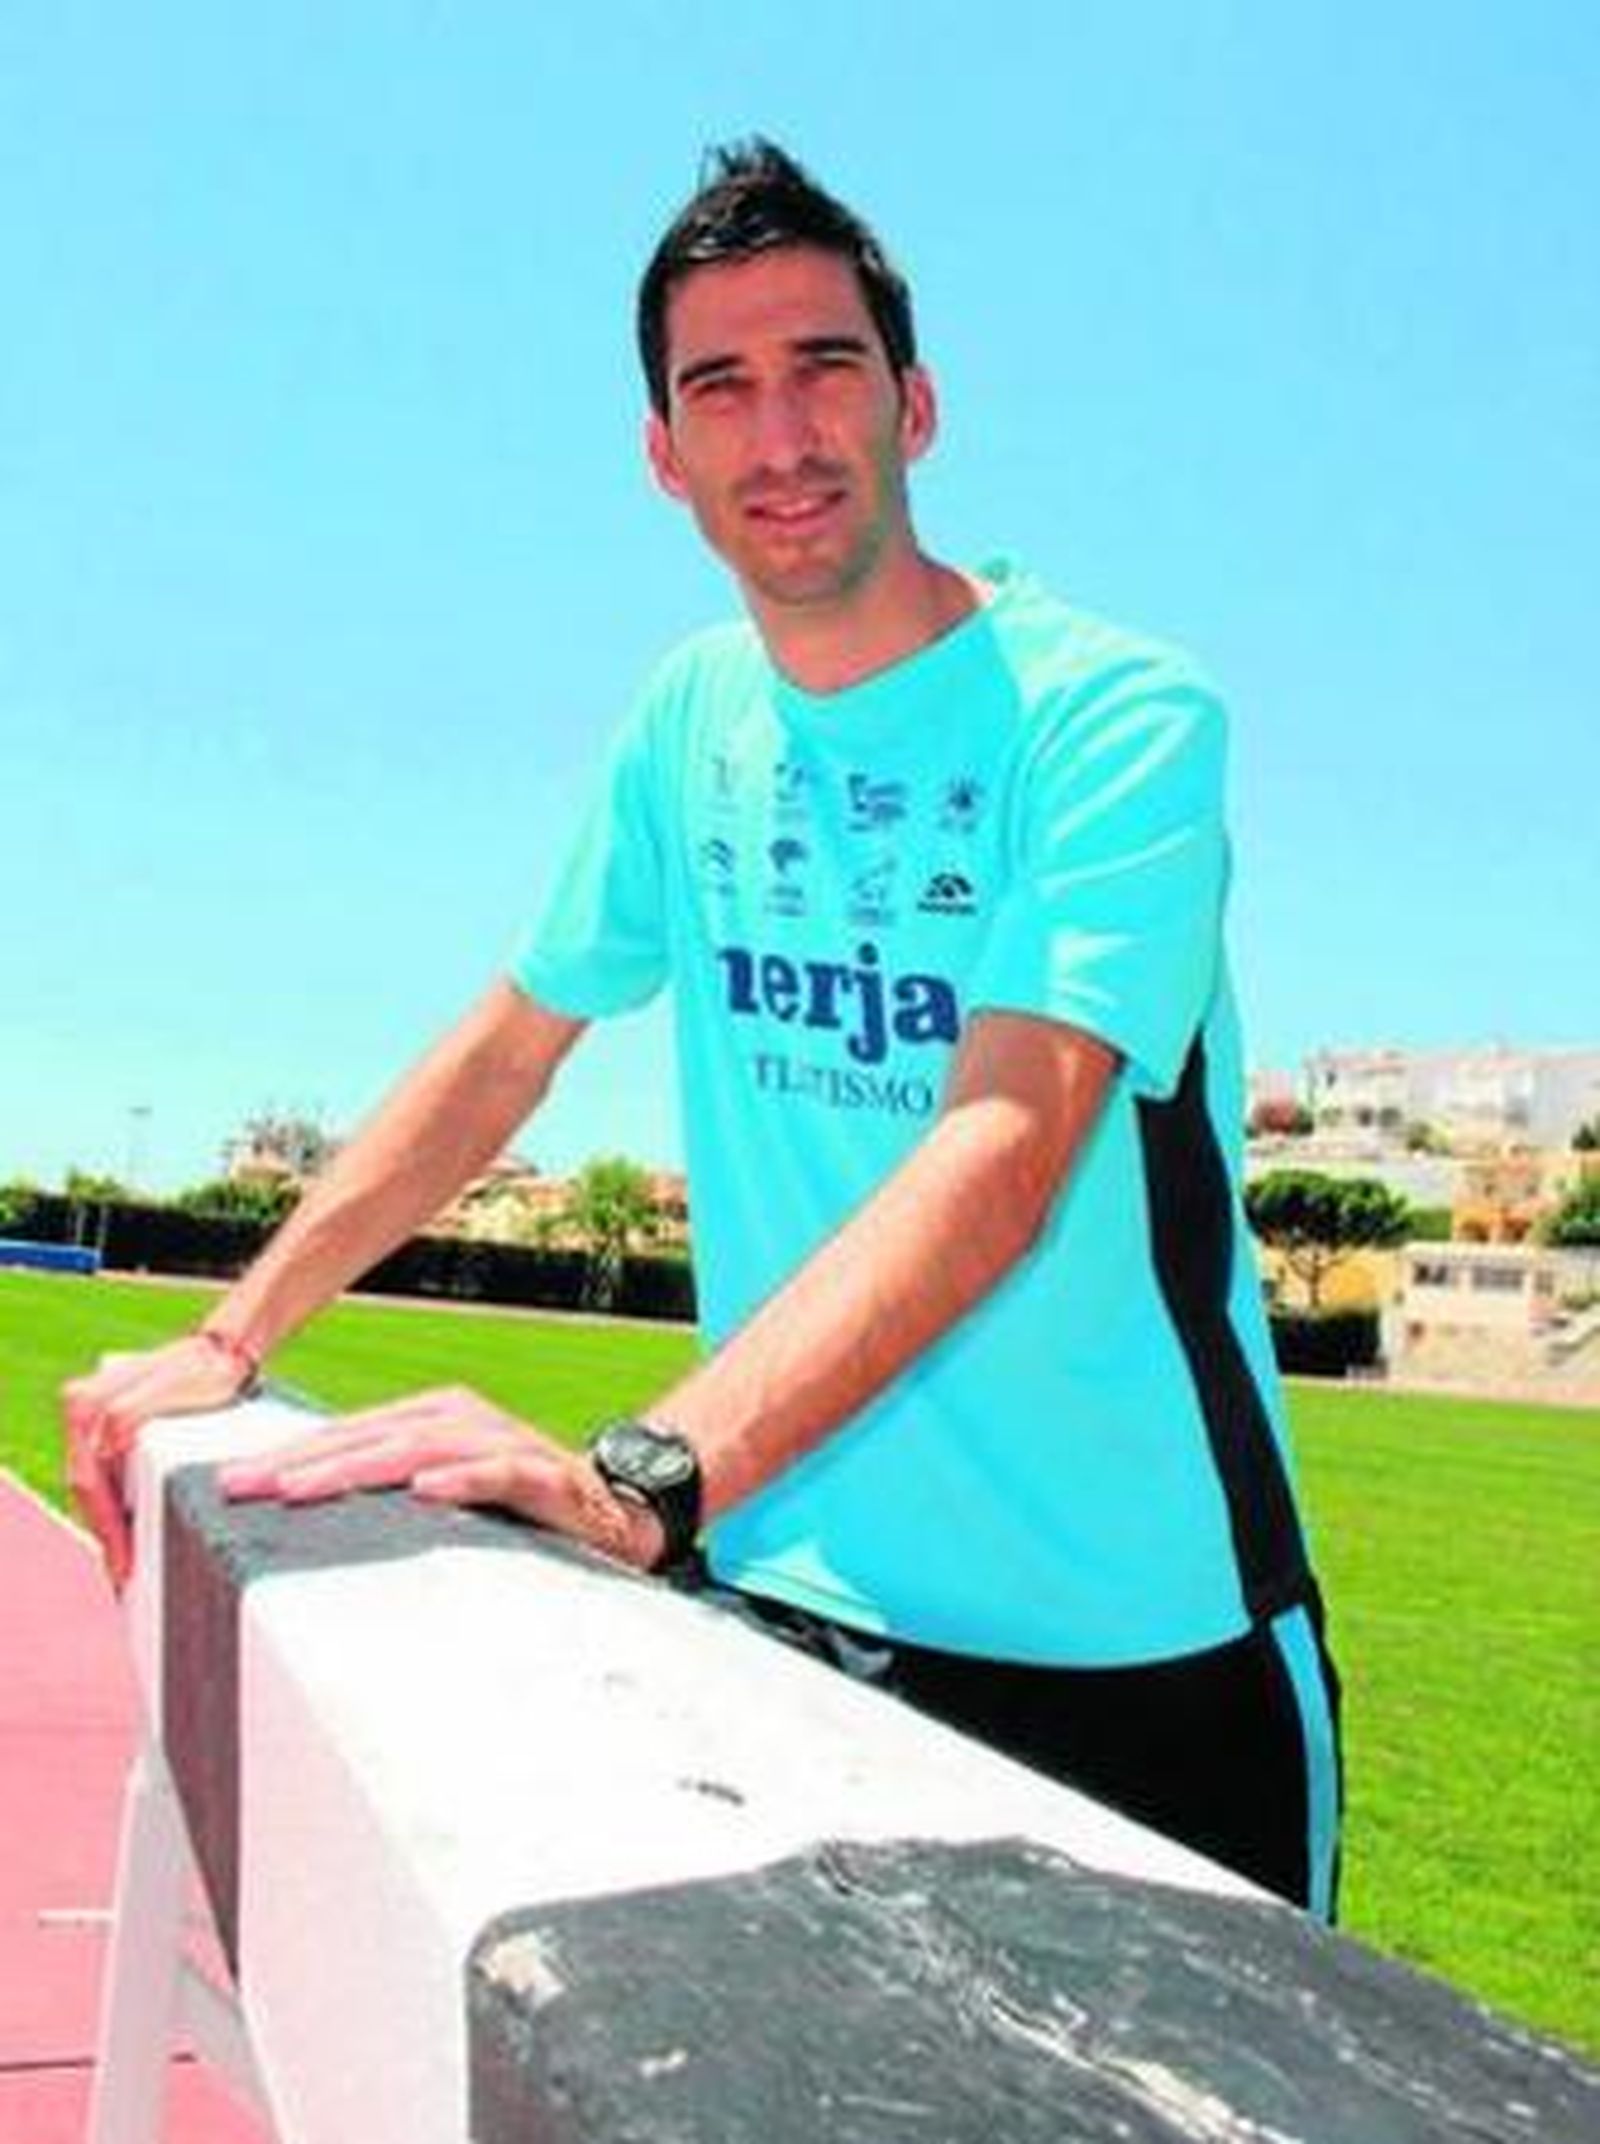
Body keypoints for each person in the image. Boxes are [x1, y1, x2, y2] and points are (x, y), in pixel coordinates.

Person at [64, 140, 1342, 1917]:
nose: (782, 434)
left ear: (918, 405)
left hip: (1149, 1650)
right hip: (796, 1615)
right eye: (719, 388)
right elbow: (514, 1039)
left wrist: (641, 1475)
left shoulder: (1113, 712)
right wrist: (236, 1332)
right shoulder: (688, 720)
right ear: (665, 457)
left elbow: (1004, 1145)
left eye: (826, 367)